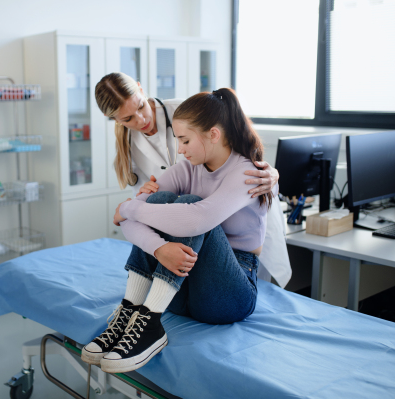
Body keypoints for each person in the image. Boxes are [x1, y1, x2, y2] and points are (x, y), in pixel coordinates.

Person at [81, 88, 277, 374]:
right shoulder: (188, 169)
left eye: (185, 141)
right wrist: (159, 248)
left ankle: (148, 324)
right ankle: (132, 310)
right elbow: (132, 221)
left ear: (213, 134)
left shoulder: (248, 174)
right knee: (161, 201)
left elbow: (196, 221)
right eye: (178, 141)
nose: (180, 150)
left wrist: (128, 209)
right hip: (181, 292)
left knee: (189, 207)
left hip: (230, 296)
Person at [94, 72, 291, 288]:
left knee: (256, 282)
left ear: (141, 89)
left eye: (140, 107)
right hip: (188, 229)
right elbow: (141, 208)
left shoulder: (183, 111)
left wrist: (272, 172)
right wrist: (156, 243)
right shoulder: (128, 145)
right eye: (128, 119)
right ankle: (138, 304)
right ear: (115, 120)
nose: (141, 120)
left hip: (231, 221)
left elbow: (240, 149)